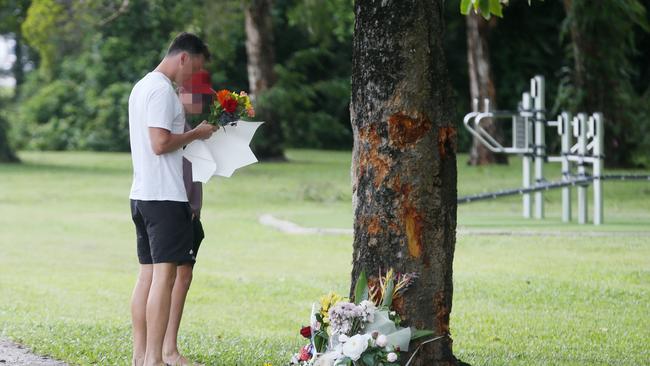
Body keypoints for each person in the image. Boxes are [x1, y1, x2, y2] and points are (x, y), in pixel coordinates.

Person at [128, 32, 216, 366]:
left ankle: (140, 357)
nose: (193, 76)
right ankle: (154, 360)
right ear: (183, 57)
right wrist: (197, 133)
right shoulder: (162, 90)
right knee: (163, 280)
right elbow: (160, 143)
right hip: (164, 198)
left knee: (147, 278)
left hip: (141, 195)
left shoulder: (141, 87)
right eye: (194, 67)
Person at [162, 69, 215, 366]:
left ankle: (168, 346)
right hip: (176, 208)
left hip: (191, 210)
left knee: (183, 275)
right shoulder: (177, 127)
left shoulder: (194, 128)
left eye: (203, 97)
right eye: (195, 95)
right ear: (182, 93)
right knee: (168, 277)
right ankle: (166, 349)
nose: (199, 101)